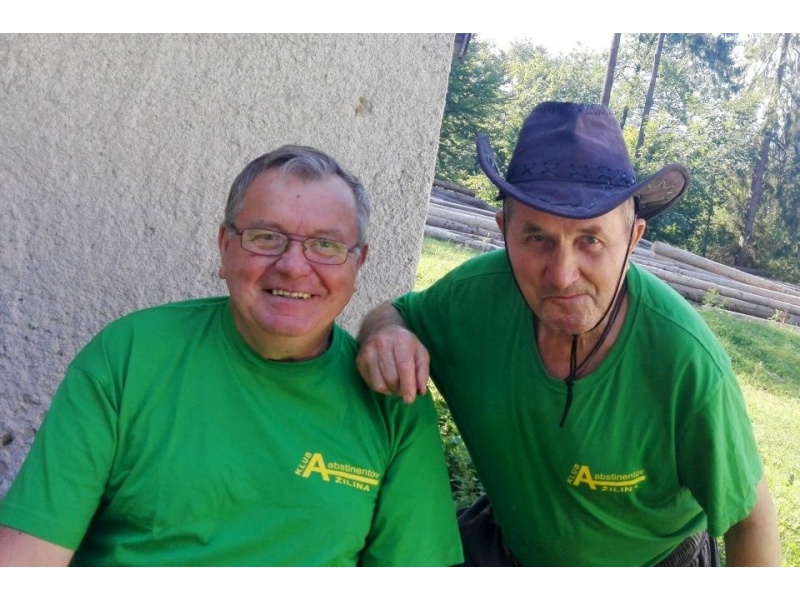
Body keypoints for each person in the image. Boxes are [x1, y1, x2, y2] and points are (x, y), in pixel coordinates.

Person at [356, 102, 782, 566]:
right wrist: (386, 333)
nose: (561, 275)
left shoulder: (684, 358)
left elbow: (751, 521)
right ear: (504, 230)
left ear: (633, 239)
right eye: (537, 238)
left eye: (590, 240)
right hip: (512, 548)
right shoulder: (473, 298)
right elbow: (395, 314)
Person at [0, 145, 462, 567]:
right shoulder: (131, 354)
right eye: (266, 237)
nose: (294, 266)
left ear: (357, 264)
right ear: (225, 247)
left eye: (326, 245)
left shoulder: (392, 397)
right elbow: (27, 563)